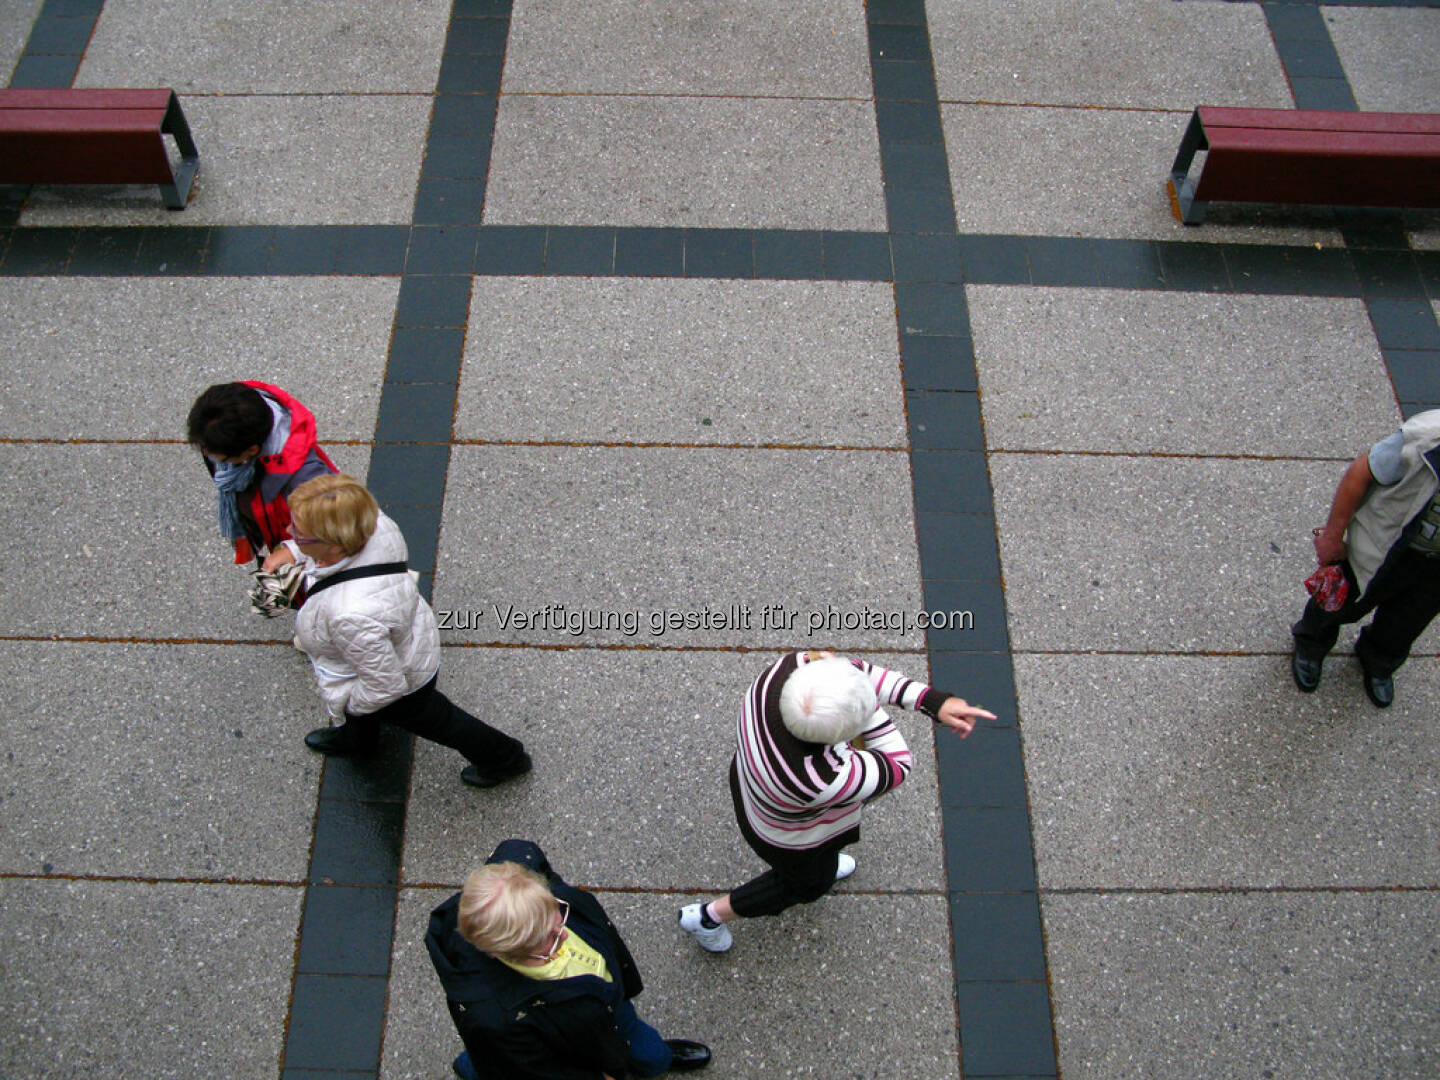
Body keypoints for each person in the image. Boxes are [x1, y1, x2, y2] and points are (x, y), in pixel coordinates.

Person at [677, 650, 995, 953]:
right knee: (806, 886)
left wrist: (930, 700)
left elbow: (849, 672)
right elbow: (898, 764)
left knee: (822, 861)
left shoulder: (784, 672)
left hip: (753, 786)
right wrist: (864, 702)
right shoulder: (820, 780)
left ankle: (825, 861)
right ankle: (707, 917)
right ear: (841, 736)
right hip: (788, 839)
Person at [284, 473, 531, 787]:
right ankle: (356, 738)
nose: (290, 533)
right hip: (408, 640)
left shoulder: (349, 614)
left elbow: (385, 687)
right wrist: (294, 550)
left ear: (332, 543)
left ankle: (505, 759)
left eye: (300, 534)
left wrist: (348, 703)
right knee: (378, 709)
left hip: (402, 680)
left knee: (438, 721)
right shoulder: (372, 525)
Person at [427, 838, 712, 1080]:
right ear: (504, 951)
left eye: (558, 914)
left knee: (641, 1044)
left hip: (601, 1005)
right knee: (503, 1060)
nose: (563, 935)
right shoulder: (496, 1018)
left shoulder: (522, 879)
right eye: (548, 940)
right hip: (568, 1032)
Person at [1292, 409, 1440, 708]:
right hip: (1380, 546)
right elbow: (1360, 473)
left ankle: (1379, 661)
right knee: (1337, 601)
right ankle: (1311, 644)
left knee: (1407, 622)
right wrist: (1333, 536)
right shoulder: (1426, 438)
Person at [186, 381, 337, 569]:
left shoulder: (308, 479)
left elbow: (340, 529)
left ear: (251, 450)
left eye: (221, 457)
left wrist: (293, 552)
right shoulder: (225, 423)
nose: (207, 455)